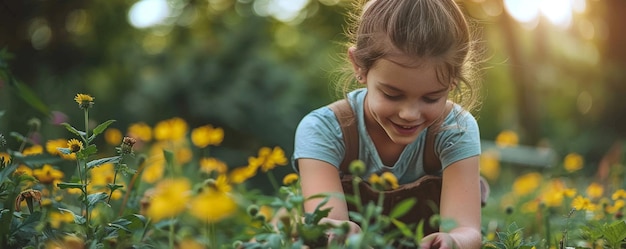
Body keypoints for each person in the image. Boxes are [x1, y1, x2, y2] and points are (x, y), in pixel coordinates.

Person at [292, 0, 484, 248]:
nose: (409, 114)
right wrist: (338, 231)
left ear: (453, 83)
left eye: (431, 97)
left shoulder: (456, 130)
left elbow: (466, 229)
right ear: (359, 66)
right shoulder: (323, 130)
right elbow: (326, 224)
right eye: (393, 95)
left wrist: (454, 240)